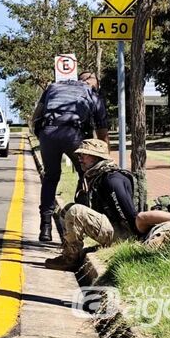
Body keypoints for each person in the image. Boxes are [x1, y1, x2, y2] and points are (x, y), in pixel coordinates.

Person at [44, 139, 170, 271]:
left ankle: (70, 260)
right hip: (116, 227)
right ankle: (70, 252)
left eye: (84, 155)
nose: (80, 159)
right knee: (67, 210)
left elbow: (131, 218)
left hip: (127, 233)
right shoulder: (95, 176)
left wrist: (128, 240)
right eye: (79, 155)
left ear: (96, 157)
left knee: (76, 211)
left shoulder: (112, 180)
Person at [32, 71, 109, 242]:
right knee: (86, 175)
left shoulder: (53, 86)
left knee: (51, 177)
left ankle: (45, 228)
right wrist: (105, 160)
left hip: (48, 132)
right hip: (73, 133)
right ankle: (78, 221)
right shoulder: (91, 93)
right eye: (97, 83)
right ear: (91, 81)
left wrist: (43, 136)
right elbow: (103, 133)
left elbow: (36, 116)